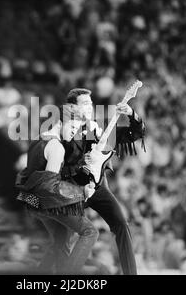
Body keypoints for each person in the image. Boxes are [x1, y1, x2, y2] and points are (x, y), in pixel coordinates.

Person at [61, 88, 146, 275]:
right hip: (74, 188)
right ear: (73, 108)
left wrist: (131, 113)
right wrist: (81, 163)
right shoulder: (63, 131)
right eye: (84, 104)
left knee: (122, 225)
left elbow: (136, 133)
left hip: (98, 187)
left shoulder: (100, 129)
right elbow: (58, 168)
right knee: (64, 235)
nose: (90, 107)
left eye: (90, 103)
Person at [15, 104, 98, 274]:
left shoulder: (38, 140)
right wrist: (81, 192)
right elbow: (49, 189)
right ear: (60, 123)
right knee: (90, 231)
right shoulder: (56, 147)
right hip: (43, 202)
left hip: (31, 200)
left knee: (61, 240)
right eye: (73, 127)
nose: (74, 132)